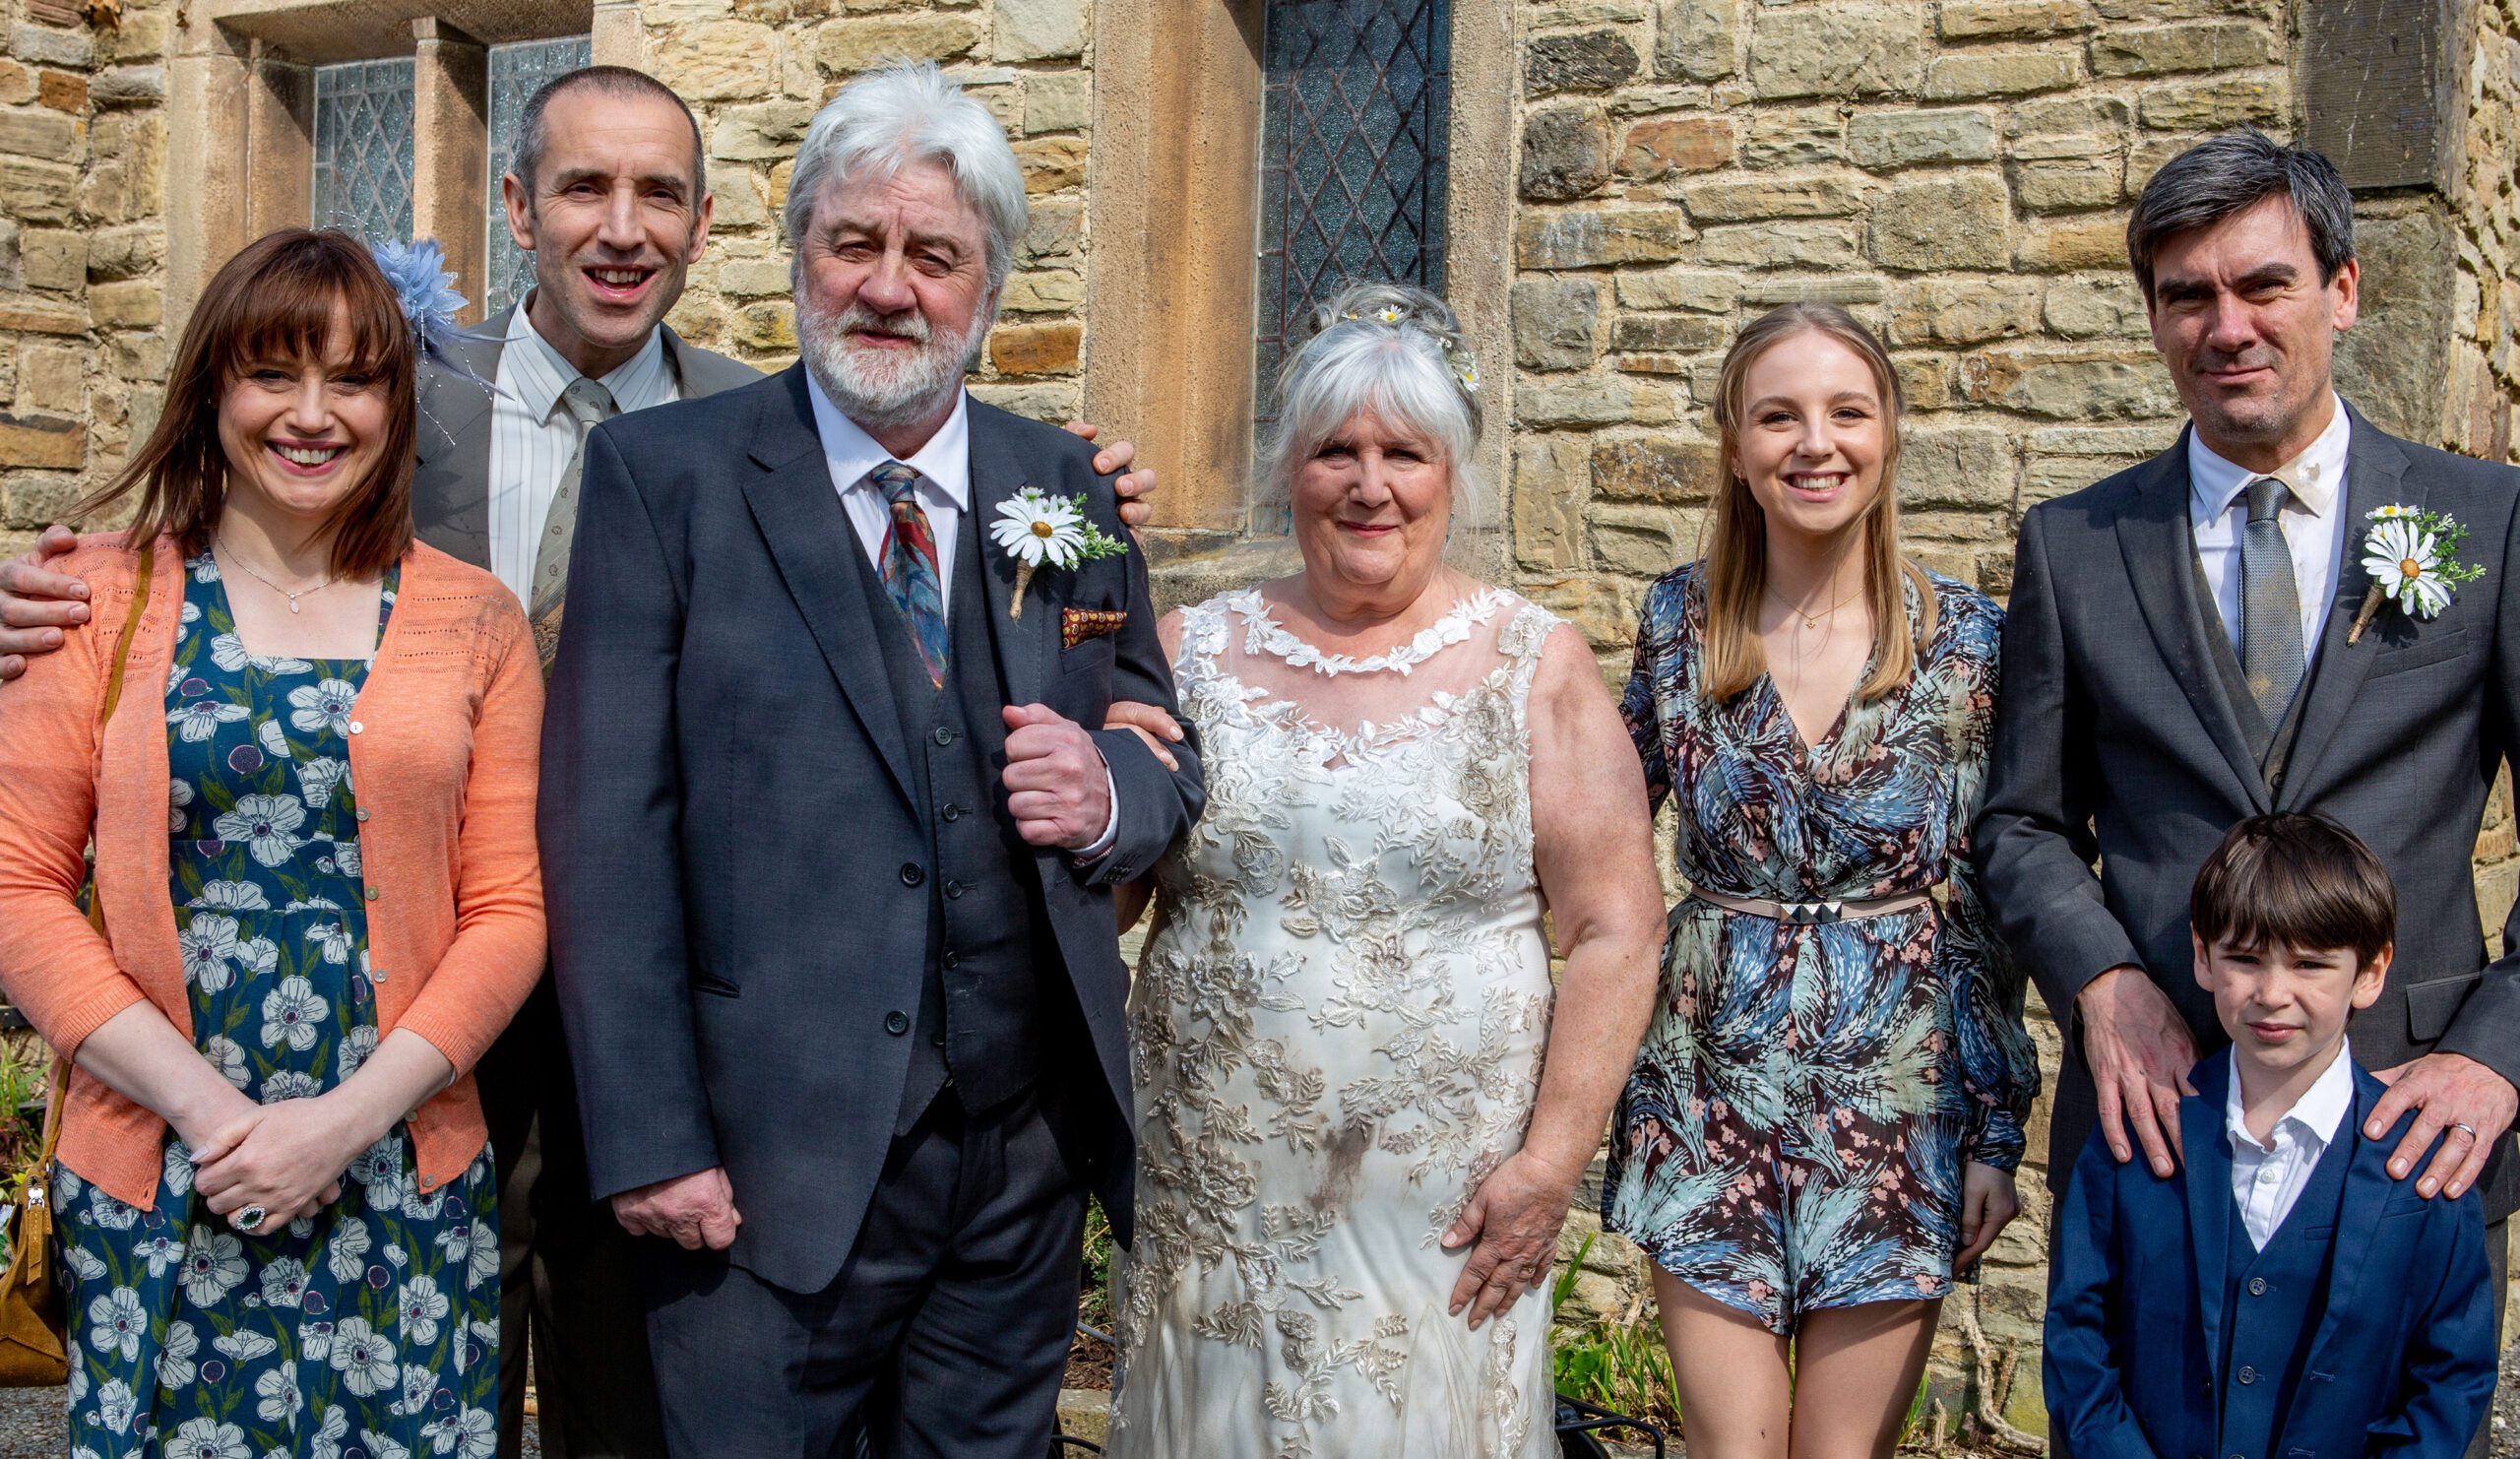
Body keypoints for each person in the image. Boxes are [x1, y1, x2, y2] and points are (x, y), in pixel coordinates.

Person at [0, 62, 1159, 1459]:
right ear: (515, 205)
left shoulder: (925, 451)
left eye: (659, 191)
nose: (622, 225)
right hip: (432, 1013)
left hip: (746, 1057)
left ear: (706, 221)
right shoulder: (389, 399)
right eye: (583, 187)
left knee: (626, 1396)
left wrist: (1114, 746)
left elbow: (1116, 691)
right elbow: (221, 529)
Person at [536, 61, 1204, 1458]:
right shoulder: (669, 480)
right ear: (798, 256)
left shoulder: (1061, 486)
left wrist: (1112, 798)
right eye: (856, 243)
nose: (890, 286)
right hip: (759, 1169)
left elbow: (1153, 731)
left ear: (990, 290)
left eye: (934, 255)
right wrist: (651, 1135)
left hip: (1017, 1169)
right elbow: (605, 834)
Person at [1974, 129, 2520, 1432]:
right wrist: (2103, 985)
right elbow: (2022, 821)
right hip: (2157, 1138)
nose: (2228, 326)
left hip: (2409, 1127)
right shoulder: (2078, 542)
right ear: (2157, 319)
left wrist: (2499, 1058)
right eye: (2188, 296)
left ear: (2341, 289)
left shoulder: (2486, 521)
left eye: (2264, 284)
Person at [0, 229, 546, 1456]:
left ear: (397, 403)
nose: (313, 414)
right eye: (273, 373)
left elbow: (509, 905)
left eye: (353, 379)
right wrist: (213, 1119)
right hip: (164, 1177)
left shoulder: (473, 619)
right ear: (211, 389)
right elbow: (18, 888)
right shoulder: (91, 598)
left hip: (399, 1174)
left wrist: (343, 1124)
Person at [1097, 282, 1665, 1458]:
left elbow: (1615, 928)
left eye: (1403, 452)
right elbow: (1113, 889)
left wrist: (1550, 1166)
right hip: (1218, 1196)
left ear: (1450, 471)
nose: (1369, 484)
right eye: (1333, 451)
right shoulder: (1190, 649)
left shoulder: (1531, 663)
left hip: (1437, 1208)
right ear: (1287, 469)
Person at [1602, 302, 2040, 1459]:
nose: (1815, 442)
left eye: (1847, 411)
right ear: (1737, 449)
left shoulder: (1972, 643)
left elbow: (1995, 900)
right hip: (1706, 1091)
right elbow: (1590, 839)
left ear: (1888, 433)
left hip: (1900, 1099)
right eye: (1778, 416)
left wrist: (1996, 1128)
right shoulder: (1675, 624)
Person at [2046, 813, 2497, 1459]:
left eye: (2311, 964)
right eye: (2246, 959)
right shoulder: (2134, 1144)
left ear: (2370, 973)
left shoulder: (2423, 1164)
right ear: (2203, 957)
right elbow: (2077, 1341)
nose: (2274, 993)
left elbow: (2451, 1375)